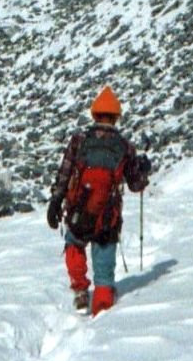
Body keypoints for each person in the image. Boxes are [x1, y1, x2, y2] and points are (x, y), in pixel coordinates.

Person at [47, 85, 150, 315]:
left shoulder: (79, 140)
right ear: (116, 117)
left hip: (78, 210)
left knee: (74, 244)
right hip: (108, 217)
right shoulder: (125, 147)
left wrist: (55, 201)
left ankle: (81, 290)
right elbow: (135, 184)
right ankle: (102, 312)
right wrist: (144, 170)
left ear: (95, 114)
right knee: (104, 270)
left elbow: (64, 173)